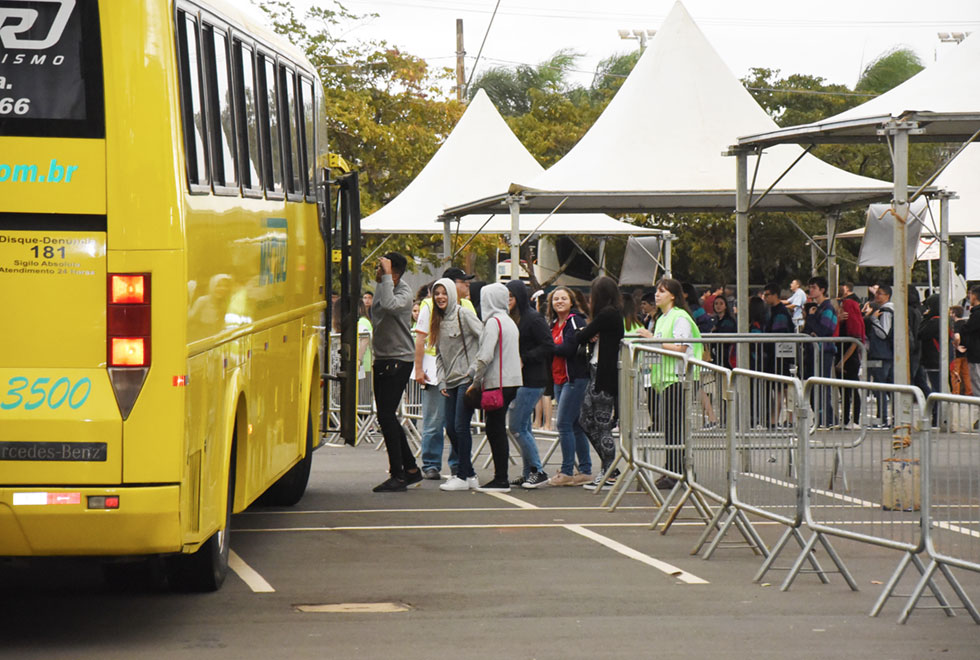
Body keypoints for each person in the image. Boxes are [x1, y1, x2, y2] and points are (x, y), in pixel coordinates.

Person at [413, 268, 477, 480]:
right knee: (434, 420)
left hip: (462, 372)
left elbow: (478, 337)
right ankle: (431, 463)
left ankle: (459, 465)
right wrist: (419, 369)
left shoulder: (466, 306)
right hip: (435, 369)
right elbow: (421, 339)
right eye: (463, 281)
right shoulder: (428, 305)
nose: (466, 285)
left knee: (457, 424)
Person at [370, 253, 423, 492]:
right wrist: (383, 279)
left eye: (383, 268)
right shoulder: (383, 285)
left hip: (399, 359)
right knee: (385, 416)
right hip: (382, 357)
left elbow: (390, 306)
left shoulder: (403, 292)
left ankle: (398, 474)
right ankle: (410, 469)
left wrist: (387, 278)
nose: (378, 272)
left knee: (387, 416)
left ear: (396, 271)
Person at [465, 283, 523, 492]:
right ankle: (501, 477)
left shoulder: (492, 322)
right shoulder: (508, 321)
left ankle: (501, 478)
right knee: (497, 428)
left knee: (494, 429)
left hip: (497, 382)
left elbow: (486, 355)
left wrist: (475, 379)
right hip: (512, 380)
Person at [430, 279, 485, 492]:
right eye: (437, 294)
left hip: (466, 379)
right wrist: (441, 380)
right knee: (450, 427)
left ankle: (462, 475)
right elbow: (439, 355)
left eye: (444, 293)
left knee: (461, 426)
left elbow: (485, 339)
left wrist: (474, 369)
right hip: (449, 381)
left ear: (452, 294)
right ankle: (469, 473)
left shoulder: (464, 314)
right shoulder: (437, 320)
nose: (440, 297)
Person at [538, 287, 593, 488]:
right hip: (559, 378)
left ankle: (568, 470)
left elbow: (569, 348)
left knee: (563, 424)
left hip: (575, 378)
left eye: (563, 298)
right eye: (555, 299)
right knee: (575, 424)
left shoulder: (575, 321)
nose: (559, 301)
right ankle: (586, 470)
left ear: (571, 301)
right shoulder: (553, 324)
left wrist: (549, 347)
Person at [650, 278, 703, 490]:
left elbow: (681, 347)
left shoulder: (680, 317)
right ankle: (672, 469)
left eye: (661, 291)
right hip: (665, 379)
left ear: (673, 295)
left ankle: (679, 471)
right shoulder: (662, 318)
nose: (657, 295)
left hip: (679, 378)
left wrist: (652, 340)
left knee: (675, 427)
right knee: (670, 427)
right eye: (657, 291)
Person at [576, 277, 625, 490]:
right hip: (597, 371)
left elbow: (581, 336)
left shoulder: (608, 314)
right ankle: (609, 466)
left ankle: (610, 472)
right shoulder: (611, 315)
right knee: (585, 420)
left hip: (604, 375)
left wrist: (588, 334)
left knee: (602, 423)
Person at [505, 280, 554, 488]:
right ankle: (528, 472)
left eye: (511, 297)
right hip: (518, 379)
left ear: (520, 298)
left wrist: (525, 357)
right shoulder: (513, 318)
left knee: (516, 426)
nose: (508, 301)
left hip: (532, 379)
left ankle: (537, 470)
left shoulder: (533, 319)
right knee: (523, 426)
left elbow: (548, 345)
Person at [805, 276, 838, 426]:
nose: (810, 290)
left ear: (822, 290)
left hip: (824, 351)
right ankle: (820, 417)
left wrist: (811, 319)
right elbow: (809, 331)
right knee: (814, 386)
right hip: (814, 351)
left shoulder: (828, 308)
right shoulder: (817, 308)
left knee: (822, 386)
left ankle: (827, 419)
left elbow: (824, 330)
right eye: (810, 287)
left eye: (814, 287)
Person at [836, 284, 866, 429]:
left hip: (849, 357)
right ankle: (846, 419)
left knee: (852, 387)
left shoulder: (850, 306)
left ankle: (854, 420)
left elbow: (855, 340)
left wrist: (842, 361)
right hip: (843, 355)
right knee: (844, 389)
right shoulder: (844, 316)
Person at [953, 285, 980, 398]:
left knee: (977, 385)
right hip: (975, 353)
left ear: (975, 296)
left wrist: (959, 330)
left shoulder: (977, 314)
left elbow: (967, 329)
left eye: (970, 294)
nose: (969, 297)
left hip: (976, 355)